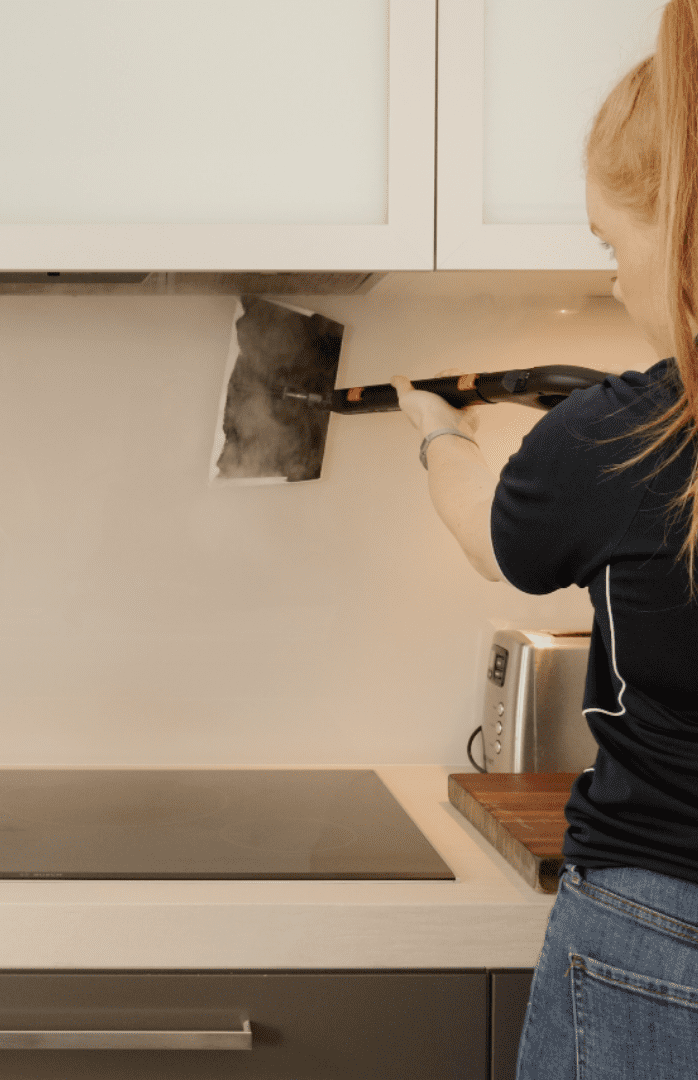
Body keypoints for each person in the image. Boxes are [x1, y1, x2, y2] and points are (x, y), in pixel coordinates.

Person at [391, 2, 698, 1076]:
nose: (614, 279)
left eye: (615, 244)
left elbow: (489, 536)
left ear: (684, 225)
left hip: (659, 923)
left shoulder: (625, 433)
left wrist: (441, 433)